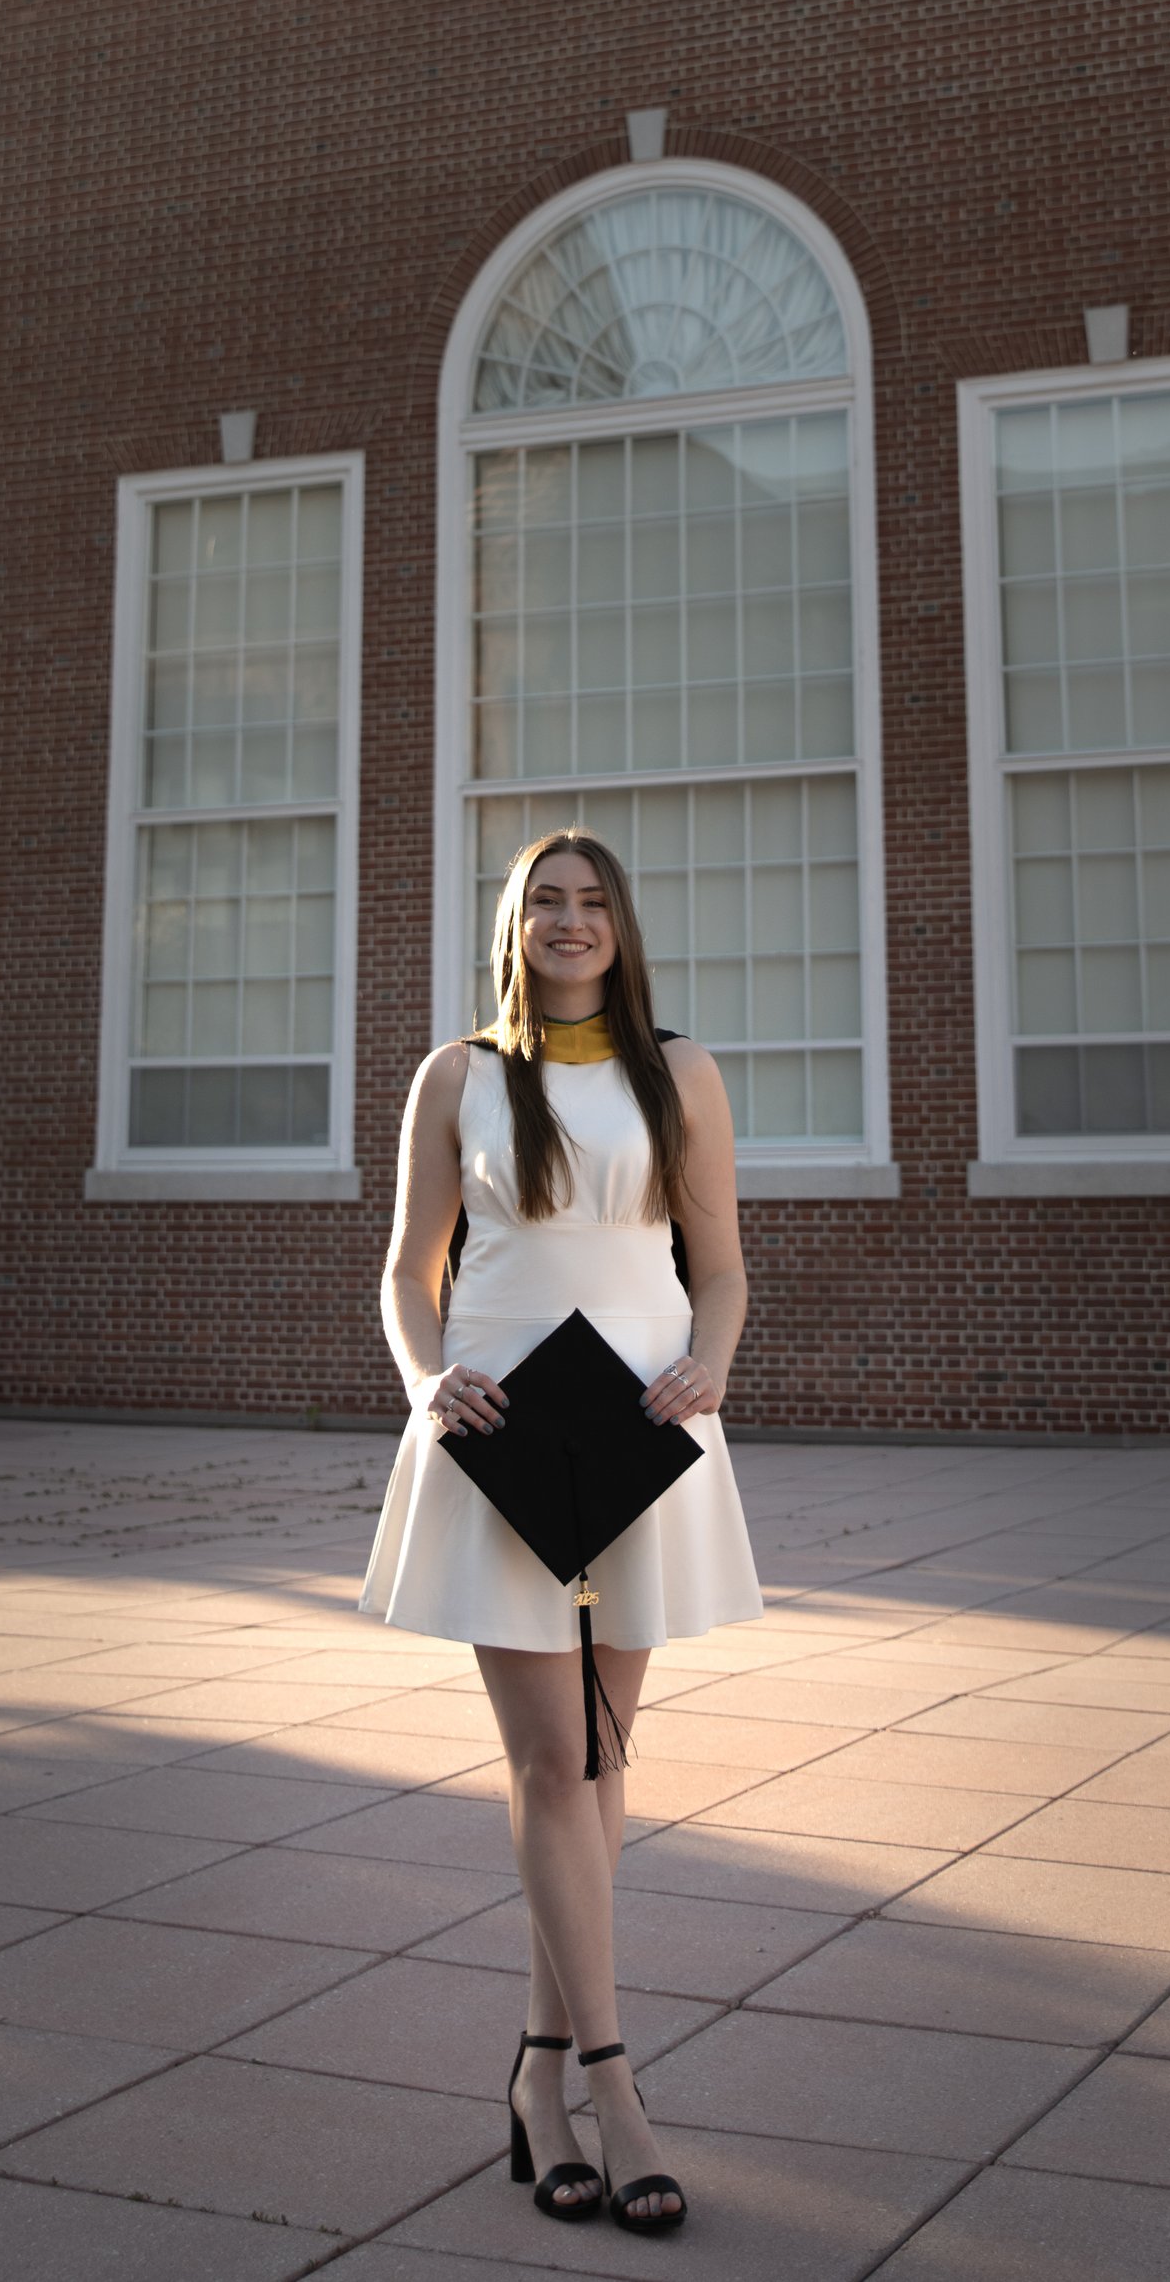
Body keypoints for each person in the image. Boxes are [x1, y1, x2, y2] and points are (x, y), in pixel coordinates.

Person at [361, 829, 761, 2235]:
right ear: (514, 925)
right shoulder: (459, 1074)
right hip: (502, 1431)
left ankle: (534, 2076)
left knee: (595, 1761)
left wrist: (714, 1360)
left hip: (645, 1424)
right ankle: (614, 2083)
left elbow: (718, 1266)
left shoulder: (680, 1069)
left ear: (622, 923)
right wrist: (424, 1384)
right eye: (548, 901)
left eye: (593, 901)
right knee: (549, 1755)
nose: (572, 920)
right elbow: (410, 1272)